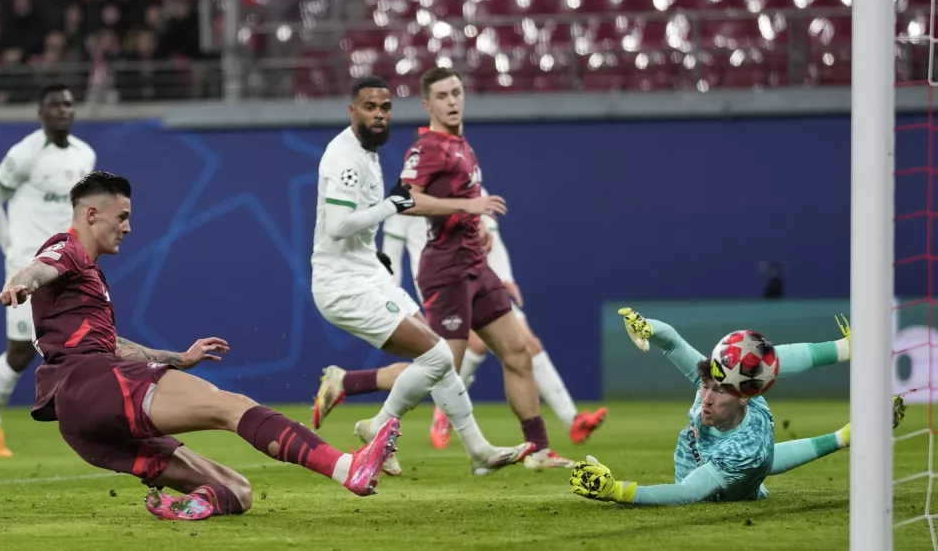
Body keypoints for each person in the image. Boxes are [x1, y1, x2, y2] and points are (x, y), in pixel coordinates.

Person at [0, 170, 401, 521]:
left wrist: (178, 358)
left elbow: (110, 344)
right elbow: (40, 269)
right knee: (233, 407)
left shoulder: (85, 279)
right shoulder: (67, 249)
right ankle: (348, 468)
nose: (128, 227)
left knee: (237, 489)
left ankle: (198, 504)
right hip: (92, 384)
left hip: (81, 419)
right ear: (91, 215)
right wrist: (20, 283)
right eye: (122, 217)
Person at [310, 76, 533, 477]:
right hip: (342, 286)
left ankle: (478, 451)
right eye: (369, 107)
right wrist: (391, 206)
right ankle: (378, 425)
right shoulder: (343, 157)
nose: (379, 115)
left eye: (384, 107)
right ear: (352, 111)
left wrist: (374, 248)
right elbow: (337, 227)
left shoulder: (368, 151)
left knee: (438, 360)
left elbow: (356, 224)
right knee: (438, 355)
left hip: (367, 274)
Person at [316, 199, 606, 449]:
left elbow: (491, 235)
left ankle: (571, 421)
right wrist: (388, 297)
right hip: (440, 287)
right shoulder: (411, 192)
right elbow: (391, 251)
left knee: (524, 344)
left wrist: (504, 277)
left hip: (481, 280)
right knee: (441, 364)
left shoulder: (467, 180)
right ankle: (432, 407)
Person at [399, 66, 571, 469]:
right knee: (439, 369)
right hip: (446, 270)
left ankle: (538, 450)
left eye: (457, 92)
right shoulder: (426, 148)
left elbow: (461, 208)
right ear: (427, 104)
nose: (453, 101)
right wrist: (467, 207)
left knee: (518, 353)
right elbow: (405, 200)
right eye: (442, 96)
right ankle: (371, 415)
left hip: (476, 266)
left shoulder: (462, 145)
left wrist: (477, 228)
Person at [568, 307, 906, 505]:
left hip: (717, 492)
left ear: (744, 397)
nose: (706, 398)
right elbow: (672, 342)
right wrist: (647, 327)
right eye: (704, 386)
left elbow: (688, 492)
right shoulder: (728, 386)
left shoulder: (747, 447)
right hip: (743, 458)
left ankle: (849, 432)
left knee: (759, 458)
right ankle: (847, 349)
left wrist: (618, 491)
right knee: (756, 364)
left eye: (717, 392)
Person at [0, 82, 97, 458]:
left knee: (80, 342)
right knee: (21, 352)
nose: (63, 109)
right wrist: (10, 246)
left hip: (65, 263)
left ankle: (91, 422)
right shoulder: (26, 152)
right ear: (41, 112)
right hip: (27, 265)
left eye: (68, 103)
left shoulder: (84, 155)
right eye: (55, 105)